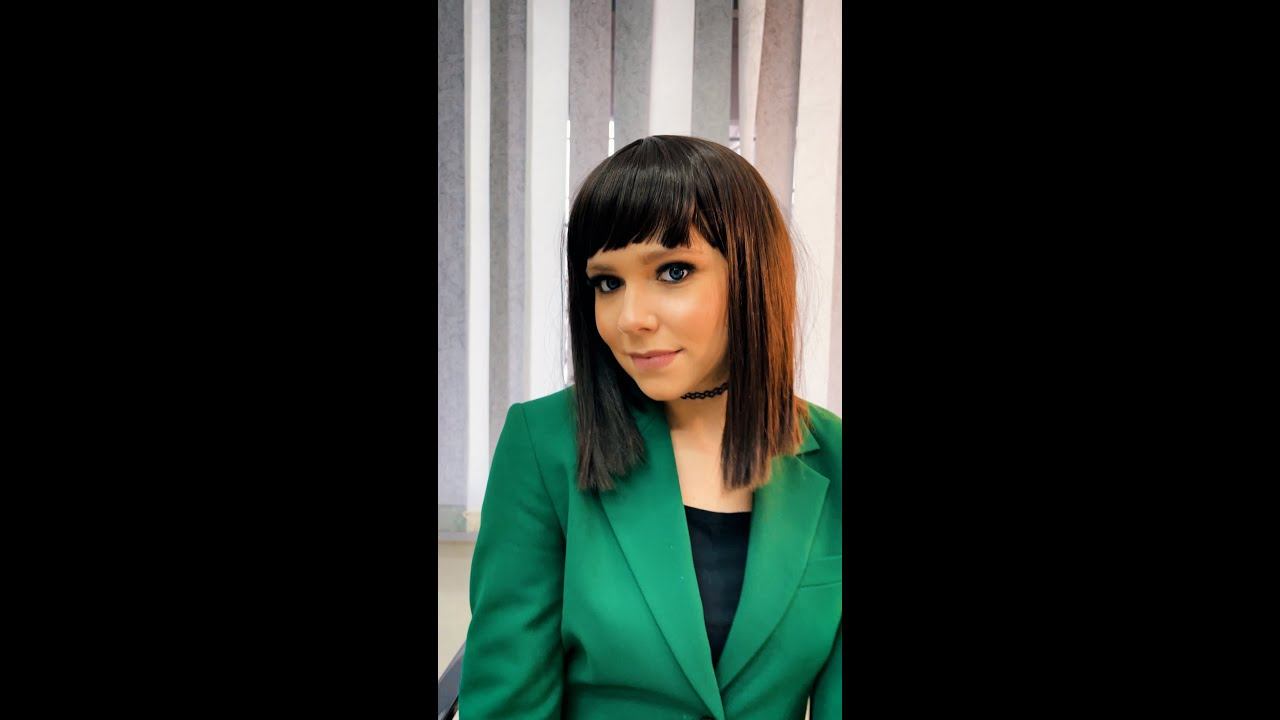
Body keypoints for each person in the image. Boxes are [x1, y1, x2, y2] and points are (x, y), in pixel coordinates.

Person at [459, 135, 841, 720]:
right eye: (607, 283)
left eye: (673, 271)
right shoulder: (545, 444)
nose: (630, 318)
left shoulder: (834, 457)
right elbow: (508, 704)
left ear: (753, 274)